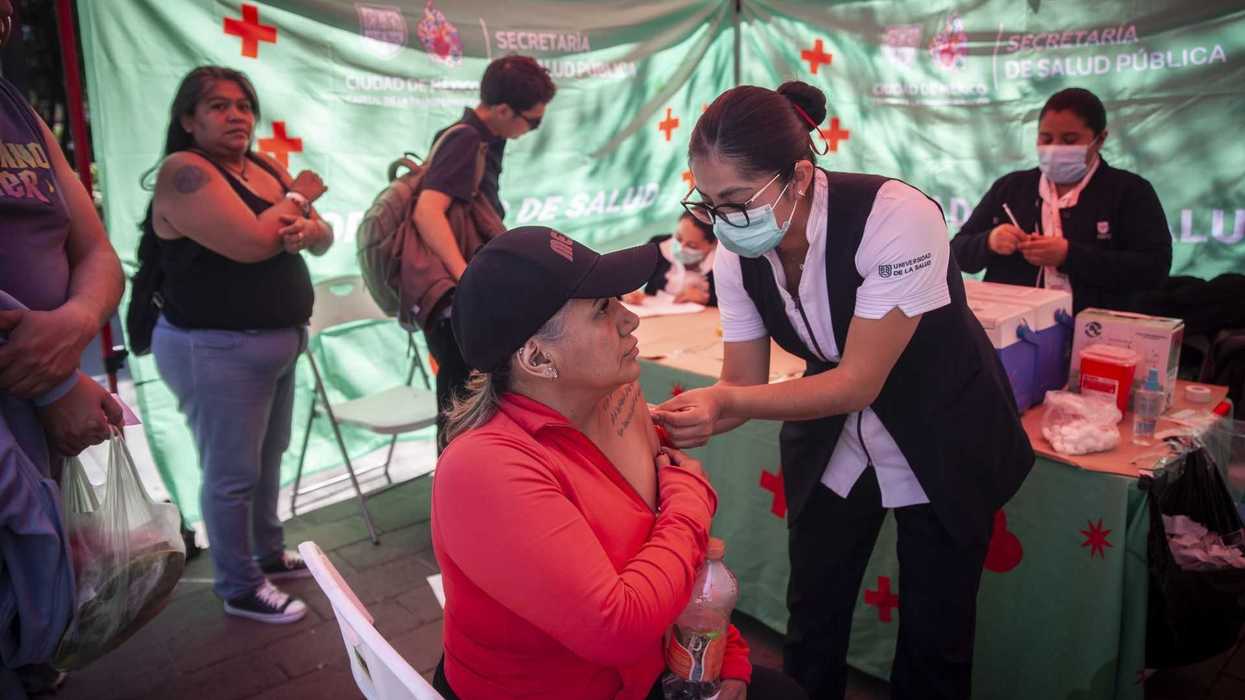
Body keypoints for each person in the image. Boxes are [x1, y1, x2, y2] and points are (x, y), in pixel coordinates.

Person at [653, 82, 1035, 700]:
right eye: (709, 202)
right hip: (837, 432)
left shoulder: (896, 215)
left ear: (799, 176)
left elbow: (858, 380)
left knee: (937, 629)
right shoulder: (737, 250)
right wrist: (666, 422)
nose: (723, 219)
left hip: (941, 424)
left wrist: (726, 404)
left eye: (736, 199)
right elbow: (741, 381)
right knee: (815, 605)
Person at [430, 226, 808, 700]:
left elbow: (666, 560)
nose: (630, 319)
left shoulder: (614, 399)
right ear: (537, 356)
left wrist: (722, 652)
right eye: (603, 310)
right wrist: (690, 498)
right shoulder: (483, 469)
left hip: (648, 668)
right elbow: (616, 627)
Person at [140, 65, 333, 625]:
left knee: (266, 461)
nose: (236, 116)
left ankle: (267, 551)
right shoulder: (184, 171)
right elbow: (252, 243)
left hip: (276, 344)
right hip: (217, 349)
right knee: (230, 474)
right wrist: (297, 196)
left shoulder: (263, 166)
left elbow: (320, 237)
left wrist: (308, 228)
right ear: (188, 120)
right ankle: (239, 584)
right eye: (219, 106)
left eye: (244, 105)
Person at [1, 1, 125, 694]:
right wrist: (53, 383)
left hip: (39, 427)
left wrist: (74, 322)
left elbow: (99, 253)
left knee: (38, 609)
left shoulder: (17, 110)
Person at [413, 54, 556, 448]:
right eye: (532, 120)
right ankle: (456, 500)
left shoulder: (480, 138)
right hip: (455, 302)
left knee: (471, 407)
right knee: (463, 413)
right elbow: (428, 212)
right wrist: (466, 277)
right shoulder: (466, 138)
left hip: (461, 297)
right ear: (504, 109)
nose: (531, 130)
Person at [951, 87, 1172, 314]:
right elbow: (957, 253)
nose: (1055, 148)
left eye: (1069, 140)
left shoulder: (1130, 191)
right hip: (1014, 330)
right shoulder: (1010, 189)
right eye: (1046, 138)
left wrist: (1069, 255)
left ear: (1100, 139)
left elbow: (1154, 270)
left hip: (1096, 333)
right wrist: (989, 241)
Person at [625, 212, 720, 307]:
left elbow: (731, 301)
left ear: (712, 244)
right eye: (678, 238)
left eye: (692, 245)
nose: (681, 248)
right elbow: (625, 278)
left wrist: (707, 298)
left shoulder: (722, 263)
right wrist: (627, 293)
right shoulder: (658, 247)